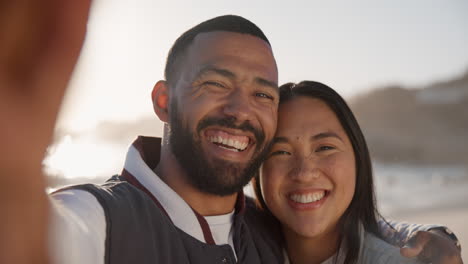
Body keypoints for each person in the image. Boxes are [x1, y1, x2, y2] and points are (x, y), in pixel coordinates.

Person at [0, 4, 461, 263]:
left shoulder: (267, 227)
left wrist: (428, 234)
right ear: (163, 101)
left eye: (263, 95)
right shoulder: (100, 220)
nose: (241, 111)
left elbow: (349, 224)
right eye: (216, 84)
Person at [251, 81, 463, 264]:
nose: (304, 173)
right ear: (256, 169)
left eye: (325, 148)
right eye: (281, 152)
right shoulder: (236, 249)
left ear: (358, 158)